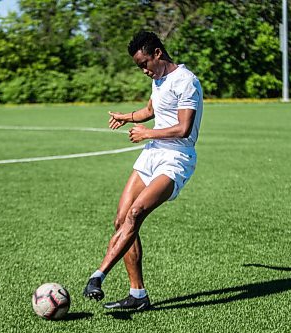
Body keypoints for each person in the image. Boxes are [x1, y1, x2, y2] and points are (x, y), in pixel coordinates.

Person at [83, 31, 203, 310]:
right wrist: (127, 117)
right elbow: (152, 108)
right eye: (140, 66)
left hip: (176, 158)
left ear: (158, 53)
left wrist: (147, 134)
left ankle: (97, 276)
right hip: (152, 156)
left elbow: (184, 129)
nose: (144, 70)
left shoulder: (187, 81)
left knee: (136, 213)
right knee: (121, 219)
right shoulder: (159, 80)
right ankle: (138, 296)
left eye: (145, 63)